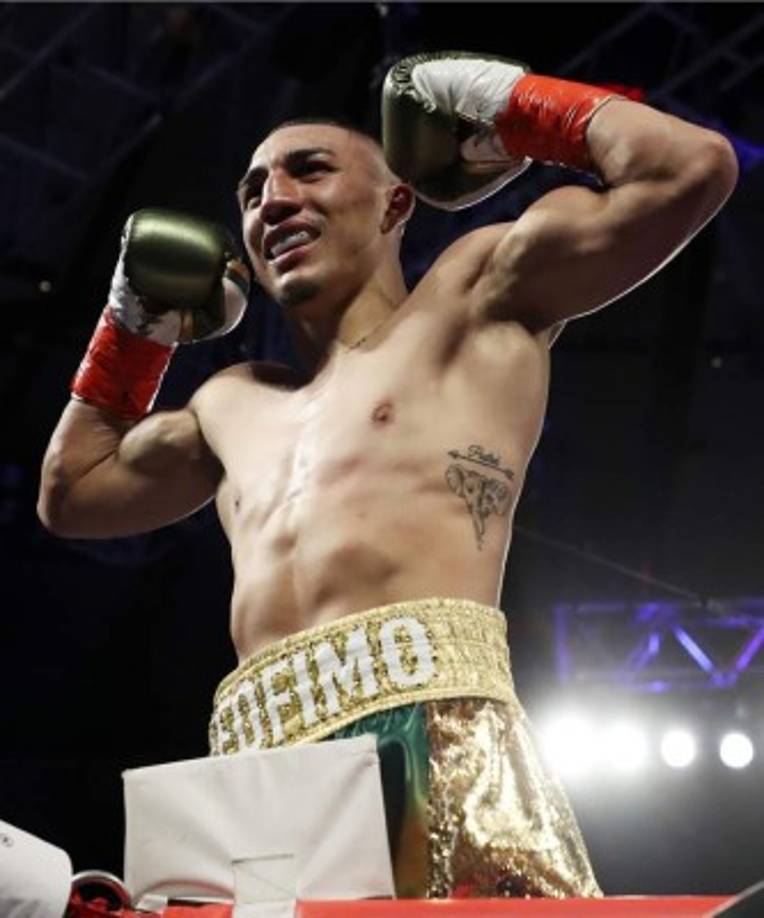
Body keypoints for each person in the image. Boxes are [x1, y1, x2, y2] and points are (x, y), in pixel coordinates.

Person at [38, 52, 737, 901]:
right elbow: (71, 493)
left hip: (434, 730)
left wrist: (506, 102)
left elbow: (690, 167)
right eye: (253, 192)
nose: (273, 201)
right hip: (255, 773)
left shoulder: (475, 295)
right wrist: (133, 324)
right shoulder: (231, 403)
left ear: (396, 200)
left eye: (309, 171)